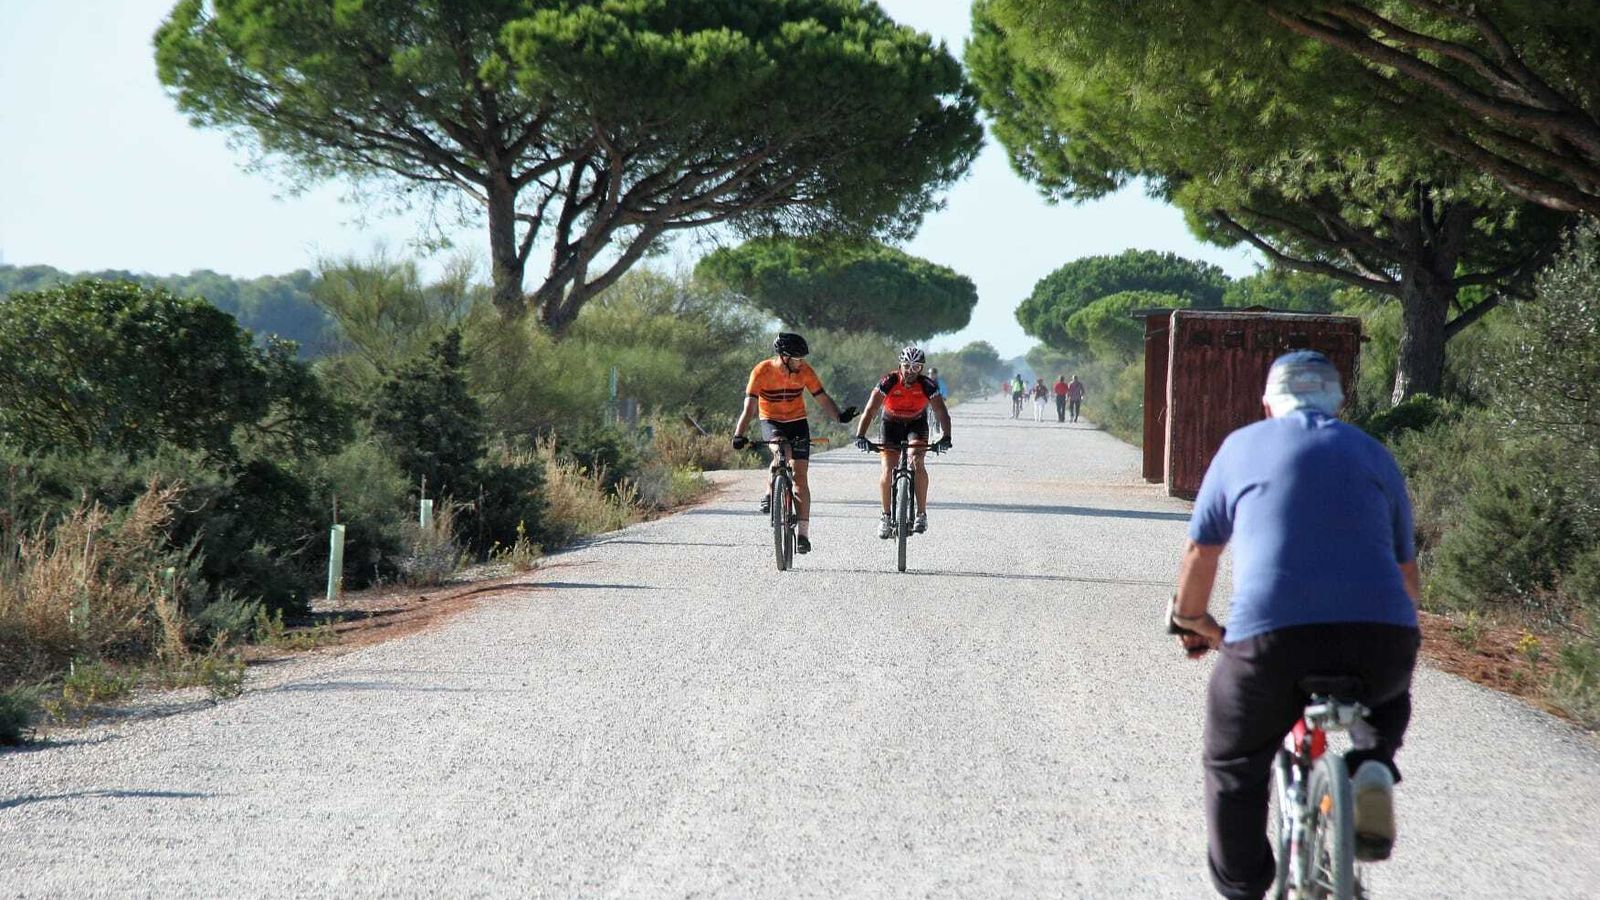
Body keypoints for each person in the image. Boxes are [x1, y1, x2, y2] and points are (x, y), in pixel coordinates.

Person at [1167, 350, 1421, 900]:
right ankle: (1372, 764)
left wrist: (1191, 620)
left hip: (1274, 639)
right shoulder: (1374, 454)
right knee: (1387, 698)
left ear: (1267, 404)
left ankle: (1244, 883)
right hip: (1381, 634)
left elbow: (1200, 552)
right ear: (1339, 402)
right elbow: (1408, 577)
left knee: (1233, 763)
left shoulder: (1240, 448)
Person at [731, 332, 857, 554]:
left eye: (802, 358)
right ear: (784, 357)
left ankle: (803, 535)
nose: (802, 362)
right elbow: (749, 407)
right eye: (797, 358)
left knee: (800, 477)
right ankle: (771, 493)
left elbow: (822, 397)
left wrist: (839, 416)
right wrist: (739, 434)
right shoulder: (762, 371)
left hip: (798, 421)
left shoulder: (805, 371)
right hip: (771, 421)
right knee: (781, 448)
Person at [853, 346, 952, 538]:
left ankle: (921, 514)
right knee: (888, 467)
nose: (910, 371)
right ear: (900, 365)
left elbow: (941, 412)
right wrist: (860, 435)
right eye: (906, 366)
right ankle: (885, 516)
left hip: (916, 423)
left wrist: (946, 437)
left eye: (916, 367)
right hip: (890, 423)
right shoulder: (888, 381)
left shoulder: (927, 385)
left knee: (917, 460)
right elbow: (871, 409)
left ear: (921, 369)